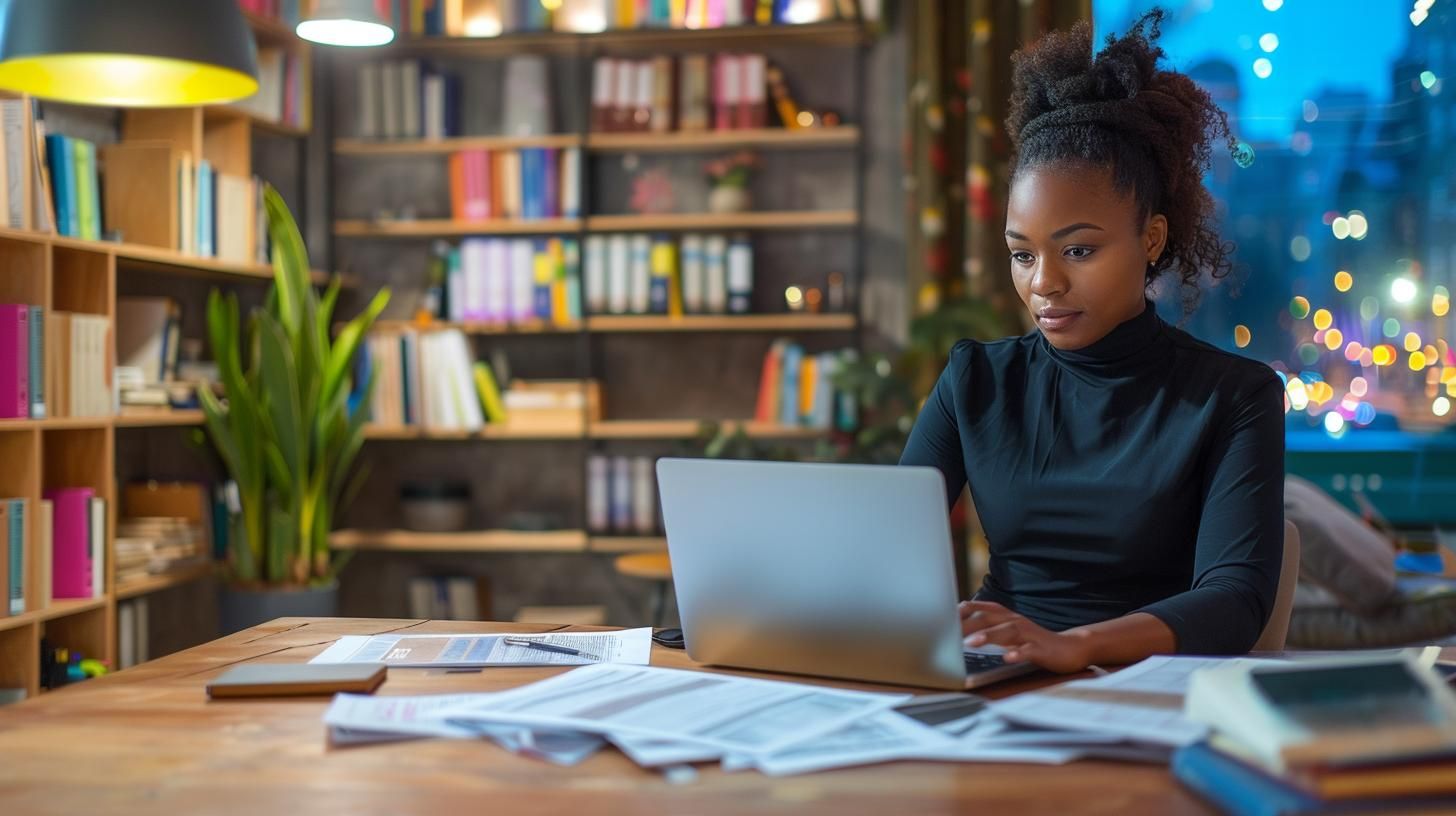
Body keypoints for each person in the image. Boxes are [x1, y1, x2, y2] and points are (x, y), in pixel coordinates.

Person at [899, 10, 1285, 673]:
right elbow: (886, 550)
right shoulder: (976, 381)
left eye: (1078, 249)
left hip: (1150, 687)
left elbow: (1235, 602)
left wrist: (1074, 646)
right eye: (1022, 255)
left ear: (1152, 240)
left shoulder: (1234, 397)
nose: (1044, 282)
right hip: (1000, 677)